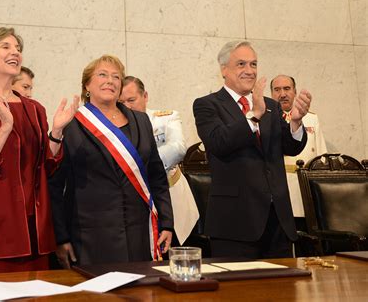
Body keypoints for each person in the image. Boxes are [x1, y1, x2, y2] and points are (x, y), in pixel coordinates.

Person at [0, 27, 79, 273]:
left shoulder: (35, 109)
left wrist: (57, 132)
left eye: (18, 49)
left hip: (33, 233)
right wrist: (5, 127)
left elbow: (48, 167)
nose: (15, 53)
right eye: (6, 47)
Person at [48, 55, 174, 268]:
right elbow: (55, 186)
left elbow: (157, 177)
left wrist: (167, 223)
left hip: (139, 235)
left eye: (116, 77)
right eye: (102, 75)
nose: (110, 80)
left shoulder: (141, 121)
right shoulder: (72, 124)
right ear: (87, 84)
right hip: (90, 239)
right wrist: (61, 238)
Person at [193, 40, 311, 259]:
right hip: (235, 224)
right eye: (241, 64)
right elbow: (219, 142)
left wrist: (295, 122)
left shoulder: (271, 105)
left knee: (284, 290)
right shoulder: (207, 105)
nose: (249, 71)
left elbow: (291, 147)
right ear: (224, 70)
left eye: (254, 64)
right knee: (238, 292)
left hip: (278, 222)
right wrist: (254, 115)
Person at [120, 76, 199, 245]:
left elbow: (178, 148)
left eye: (131, 100)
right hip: (138, 203)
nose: (127, 106)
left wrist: (142, 165)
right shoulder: (116, 129)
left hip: (173, 196)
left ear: (145, 96)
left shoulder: (165, 118)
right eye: (121, 101)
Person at [270, 75, 327, 220]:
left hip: (306, 188)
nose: (282, 94)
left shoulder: (311, 119)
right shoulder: (266, 121)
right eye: (277, 90)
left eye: (287, 88)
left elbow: (321, 156)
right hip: (280, 187)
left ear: (294, 91)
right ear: (271, 94)